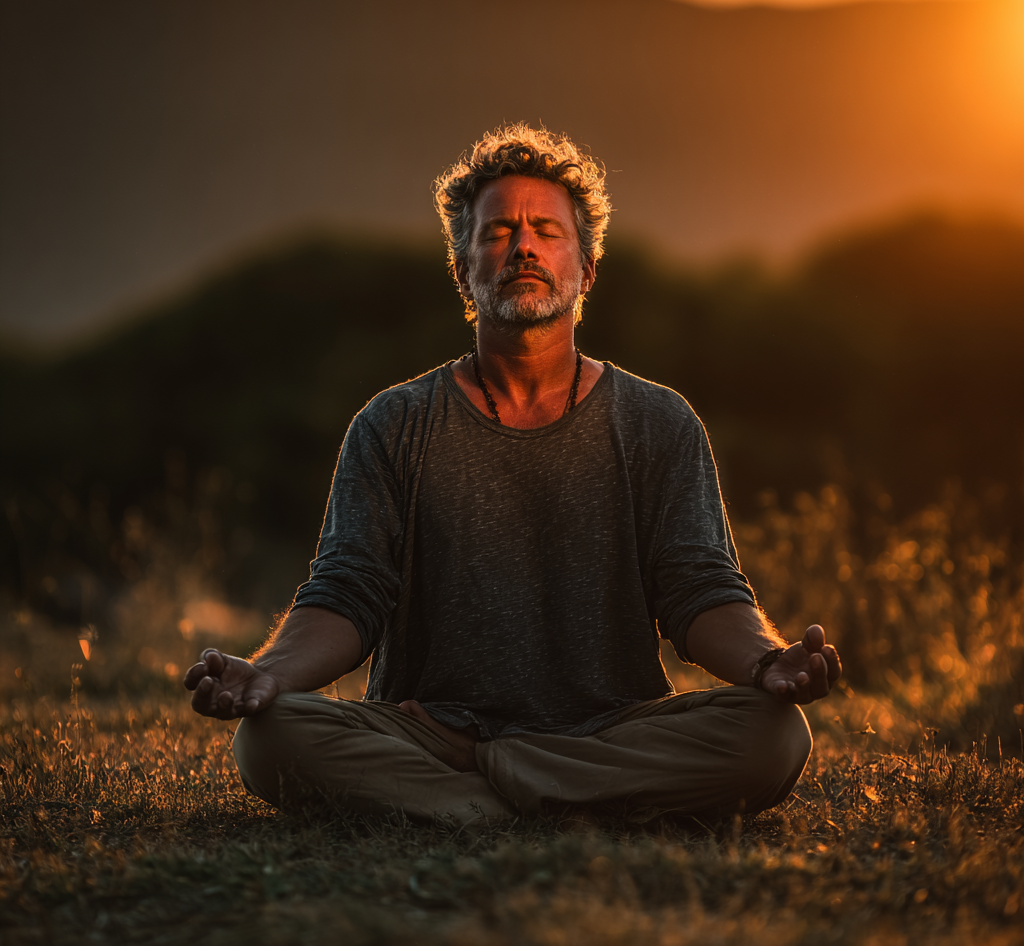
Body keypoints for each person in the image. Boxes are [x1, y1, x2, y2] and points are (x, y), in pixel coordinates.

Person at [184, 124, 841, 826]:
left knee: (773, 735)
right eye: (498, 231)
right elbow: (348, 592)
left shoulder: (659, 422)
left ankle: (481, 798)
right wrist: (269, 675)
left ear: (586, 269)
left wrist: (767, 664)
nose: (523, 245)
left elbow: (699, 589)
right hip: (432, 733)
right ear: (463, 270)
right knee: (269, 738)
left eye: (545, 230)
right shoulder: (392, 424)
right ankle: (564, 801)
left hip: (610, 731)